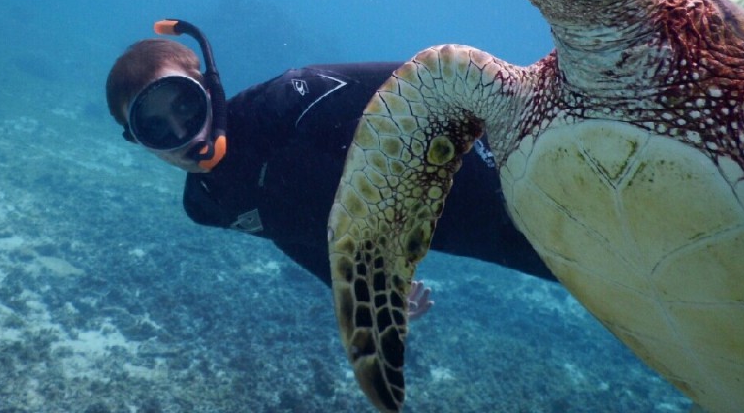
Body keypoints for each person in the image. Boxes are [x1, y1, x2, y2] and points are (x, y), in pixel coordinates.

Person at [106, 19, 555, 317]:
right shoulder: (205, 205)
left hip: (511, 175)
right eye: (156, 127)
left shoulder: (287, 101)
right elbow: (289, 229)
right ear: (139, 142)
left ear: (206, 86)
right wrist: (364, 291)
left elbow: (423, 76)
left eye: (184, 104)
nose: (185, 130)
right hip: (486, 236)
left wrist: (524, 107)